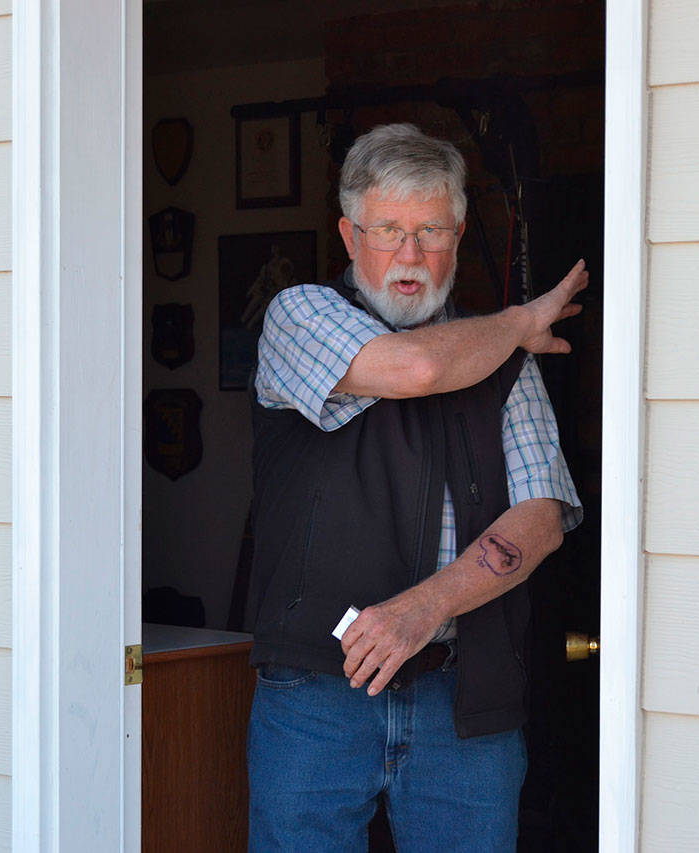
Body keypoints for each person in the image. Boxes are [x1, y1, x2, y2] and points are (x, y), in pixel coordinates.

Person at [245, 122, 585, 852]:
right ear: (348, 234)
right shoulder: (299, 315)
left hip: (464, 701)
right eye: (388, 229)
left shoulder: (507, 358)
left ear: (460, 236)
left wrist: (424, 608)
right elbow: (414, 369)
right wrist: (523, 321)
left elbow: (543, 517)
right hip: (317, 693)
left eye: (431, 229)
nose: (409, 255)